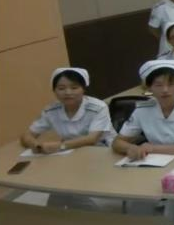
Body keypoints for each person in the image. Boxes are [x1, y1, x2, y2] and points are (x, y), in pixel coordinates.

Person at [21, 68, 114, 209]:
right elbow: (27, 135)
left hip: (101, 152)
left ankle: (84, 210)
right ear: (54, 91)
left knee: (69, 189)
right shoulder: (51, 110)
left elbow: (92, 139)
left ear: (83, 89)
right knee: (59, 189)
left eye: (74, 87)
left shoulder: (98, 107)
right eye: (61, 88)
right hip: (71, 154)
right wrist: (35, 145)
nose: (68, 92)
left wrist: (60, 146)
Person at [112, 60, 174, 158]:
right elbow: (117, 142)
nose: (165, 90)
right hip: (158, 160)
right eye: (158, 85)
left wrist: (152, 148)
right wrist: (130, 148)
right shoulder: (142, 109)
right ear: (149, 88)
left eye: (171, 84)